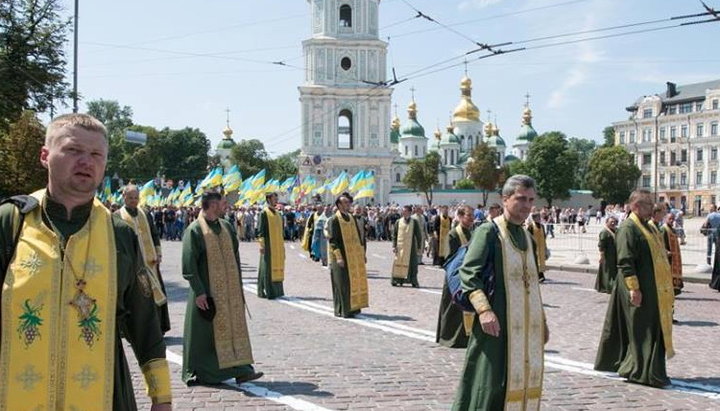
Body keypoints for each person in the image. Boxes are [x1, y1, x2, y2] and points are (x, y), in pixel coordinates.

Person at [0, 113, 171, 410]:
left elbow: (145, 323)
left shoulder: (119, 235)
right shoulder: (11, 222)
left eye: (96, 154)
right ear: (45, 156)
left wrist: (162, 397)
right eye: (73, 150)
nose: (86, 161)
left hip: (104, 396)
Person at [452, 175, 548, 410]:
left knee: (522, 379)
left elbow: (532, 284)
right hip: (495, 323)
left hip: (525, 326)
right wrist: (484, 311)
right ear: (505, 199)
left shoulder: (527, 236)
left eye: (531, 200)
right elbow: (469, 274)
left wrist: (542, 321)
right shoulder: (489, 231)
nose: (526, 205)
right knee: (491, 381)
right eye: (521, 199)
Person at [594, 189, 675, 388]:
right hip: (638, 287)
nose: (652, 209)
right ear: (635, 206)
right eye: (648, 205)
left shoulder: (649, 226)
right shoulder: (629, 228)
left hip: (653, 287)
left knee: (651, 327)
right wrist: (634, 288)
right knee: (642, 328)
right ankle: (639, 370)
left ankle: (651, 370)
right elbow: (625, 261)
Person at [181, 192, 263, 386]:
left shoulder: (226, 226)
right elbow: (189, 264)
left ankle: (242, 370)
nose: (226, 205)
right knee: (206, 336)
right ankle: (201, 372)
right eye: (222, 203)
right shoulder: (194, 230)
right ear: (212, 205)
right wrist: (199, 291)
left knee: (234, 331)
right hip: (206, 292)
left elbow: (235, 254)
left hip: (229, 293)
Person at [118, 185, 171, 333]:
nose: (134, 201)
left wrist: (158, 252)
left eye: (136, 198)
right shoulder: (117, 215)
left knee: (155, 294)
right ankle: (133, 330)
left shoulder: (145, 213)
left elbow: (154, 234)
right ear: (124, 198)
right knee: (135, 298)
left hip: (150, 262)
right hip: (132, 265)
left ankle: (158, 327)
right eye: (130, 198)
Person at [436, 205, 475, 348]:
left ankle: (465, 337)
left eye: (472, 215)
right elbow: (450, 257)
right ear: (460, 216)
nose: (471, 218)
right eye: (468, 215)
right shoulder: (454, 234)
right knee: (453, 309)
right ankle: (450, 337)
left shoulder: (472, 233)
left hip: (468, 276)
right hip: (455, 277)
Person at [326, 193, 369, 318]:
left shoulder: (352, 218)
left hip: (353, 257)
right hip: (341, 257)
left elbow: (358, 238)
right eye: (345, 202)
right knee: (342, 283)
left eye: (348, 202)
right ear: (339, 205)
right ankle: (342, 309)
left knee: (352, 282)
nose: (348, 204)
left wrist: (362, 254)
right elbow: (333, 240)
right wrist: (339, 257)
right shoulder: (334, 219)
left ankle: (353, 308)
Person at [257, 193, 285, 299]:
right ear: (268, 199)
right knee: (267, 268)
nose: (276, 200)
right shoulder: (264, 213)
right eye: (274, 198)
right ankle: (266, 290)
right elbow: (261, 230)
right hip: (268, 245)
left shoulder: (278, 213)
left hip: (277, 246)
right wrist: (262, 244)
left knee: (278, 266)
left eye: (277, 198)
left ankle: (277, 291)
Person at [391, 205, 422, 287]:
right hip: (400, 246)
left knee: (412, 264)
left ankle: (413, 280)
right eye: (403, 211)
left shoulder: (414, 222)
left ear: (409, 212)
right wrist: (394, 246)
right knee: (398, 262)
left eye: (405, 211)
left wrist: (419, 247)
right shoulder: (398, 221)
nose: (403, 212)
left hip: (410, 247)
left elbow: (418, 235)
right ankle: (397, 279)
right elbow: (394, 234)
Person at [660, 213, 684, 297]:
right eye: (670, 218)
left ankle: (675, 290)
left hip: (675, 256)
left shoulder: (672, 229)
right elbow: (661, 242)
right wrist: (666, 251)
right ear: (665, 218)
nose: (672, 220)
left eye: (673, 219)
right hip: (668, 256)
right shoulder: (664, 229)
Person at [595, 216, 618, 294]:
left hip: (614, 255)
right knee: (607, 272)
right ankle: (608, 287)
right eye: (611, 221)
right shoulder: (605, 232)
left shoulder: (616, 231)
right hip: (607, 255)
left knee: (612, 271)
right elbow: (601, 245)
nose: (613, 223)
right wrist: (602, 256)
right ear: (606, 222)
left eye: (614, 222)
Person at [527, 212, 548, 283]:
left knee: (541, 262)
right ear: (534, 218)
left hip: (541, 247)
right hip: (534, 247)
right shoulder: (531, 226)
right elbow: (528, 236)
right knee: (535, 261)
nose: (539, 219)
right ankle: (540, 276)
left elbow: (544, 236)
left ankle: (540, 275)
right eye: (538, 217)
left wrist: (546, 247)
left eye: (539, 217)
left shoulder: (542, 226)